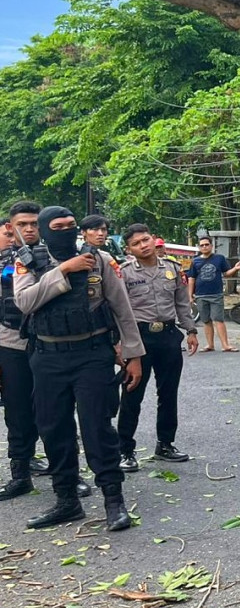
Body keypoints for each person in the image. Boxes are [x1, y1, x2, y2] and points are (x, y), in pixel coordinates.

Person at [14, 206, 145, 531]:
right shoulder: (28, 261)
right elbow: (25, 302)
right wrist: (64, 271)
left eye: (71, 225)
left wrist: (134, 354)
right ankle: (67, 500)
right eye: (59, 226)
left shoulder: (98, 259)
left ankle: (114, 501)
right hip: (48, 357)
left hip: (92, 354)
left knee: (98, 428)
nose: (67, 230)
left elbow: (121, 308)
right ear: (45, 230)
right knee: (53, 428)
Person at [117, 225, 199, 471]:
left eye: (146, 239)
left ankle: (165, 444)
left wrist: (191, 330)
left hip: (168, 335)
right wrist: (123, 345)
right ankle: (126, 451)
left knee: (168, 393)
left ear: (153, 239)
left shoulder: (173, 269)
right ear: (129, 249)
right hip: (139, 339)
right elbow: (120, 310)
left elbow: (182, 303)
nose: (143, 245)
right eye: (136, 243)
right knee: (132, 394)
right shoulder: (125, 273)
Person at [0, 204, 52, 499]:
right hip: (10, 344)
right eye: (23, 223)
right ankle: (20, 475)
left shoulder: (57, 257)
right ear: (11, 226)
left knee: (54, 411)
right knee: (17, 412)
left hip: (48, 344)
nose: (29, 228)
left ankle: (64, 473)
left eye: (34, 223)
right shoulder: (2, 261)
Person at [188, 236, 240, 352]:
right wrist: (190, 295)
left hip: (216, 294)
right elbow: (191, 278)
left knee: (218, 319)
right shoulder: (195, 261)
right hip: (200, 295)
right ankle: (210, 345)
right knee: (206, 320)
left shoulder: (219, 258)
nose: (204, 247)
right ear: (199, 247)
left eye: (206, 244)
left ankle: (225, 345)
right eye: (202, 245)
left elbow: (226, 273)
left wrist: (236, 268)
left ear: (211, 246)